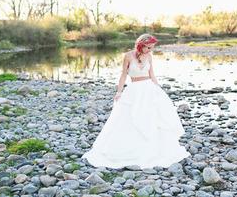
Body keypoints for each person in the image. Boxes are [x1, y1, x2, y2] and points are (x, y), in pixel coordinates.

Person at [82, 34, 191, 169]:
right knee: (129, 118)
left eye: (152, 48)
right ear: (141, 45)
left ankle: (154, 149)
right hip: (133, 91)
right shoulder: (128, 56)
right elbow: (123, 75)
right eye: (148, 47)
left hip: (149, 89)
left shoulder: (149, 57)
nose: (150, 50)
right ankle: (127, 149)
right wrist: (119, 92)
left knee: (152, 118)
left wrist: (159, 90)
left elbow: (152, 75)